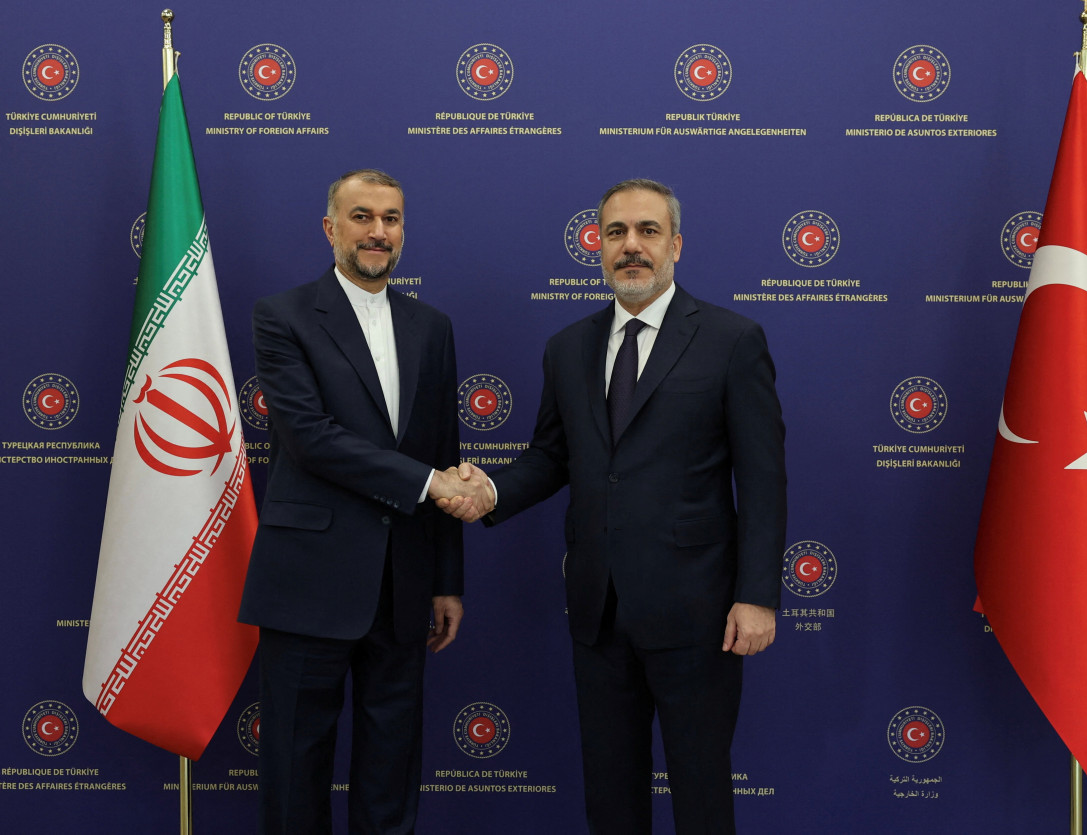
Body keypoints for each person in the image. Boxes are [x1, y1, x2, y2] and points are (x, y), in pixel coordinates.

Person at [446, 178, 787, 834]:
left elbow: (763, 479)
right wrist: (490, 491)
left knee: (701, 793)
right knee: (610, 796)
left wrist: (758, 596)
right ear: (597, 246)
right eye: (615, 233)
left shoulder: (731, 339)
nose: (632, 245)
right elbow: (552, 457)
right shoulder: (567, 347)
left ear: (676, 245)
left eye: (648, 231)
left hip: (699, 614)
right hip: (598, 612)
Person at [238, 169, 487, 834]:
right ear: (330, 228)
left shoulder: (433, 327)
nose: (378, 231)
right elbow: (310, 438)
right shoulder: (282, 315)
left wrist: (447, 580)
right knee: (295, 772)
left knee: (391, 776)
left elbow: (444, 449)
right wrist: (431, 482)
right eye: (362, 217)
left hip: (404, 585)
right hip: (308, 582)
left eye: (391, 218)